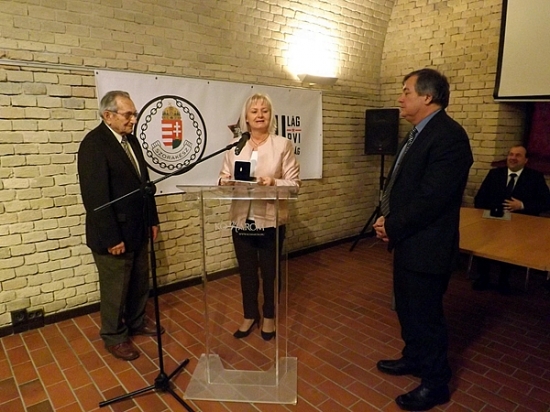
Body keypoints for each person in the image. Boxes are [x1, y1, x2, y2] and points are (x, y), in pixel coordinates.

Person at [373, 68, 473, 411]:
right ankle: (413, 357)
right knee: (407, 308)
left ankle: (435, 383)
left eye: (407, 91)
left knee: (426, 316)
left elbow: (432, 198)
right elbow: (404, 186)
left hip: (428, 245)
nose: (400, 98)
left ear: (427, 97)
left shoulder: (449, 137)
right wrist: (388, 219)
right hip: (409, 240)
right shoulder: (417, 133)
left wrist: (392, 225)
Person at [78, 90, 163, 361]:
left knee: (139, 281)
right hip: (114, 234)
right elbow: (95, 198)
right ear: (108, 115)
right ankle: (114, 336)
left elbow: (144, 184)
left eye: (134, 114)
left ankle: (136, 321)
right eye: (128, 114)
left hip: (138, 227)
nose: (133, 119)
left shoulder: (131, 140)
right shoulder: (94, 144)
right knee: (116, 288)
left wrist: (152, 219)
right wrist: (111, 238)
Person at [219, 93, 300, 341]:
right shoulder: (235, 145)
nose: (259, 115)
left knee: (270, 272)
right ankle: (249, 315)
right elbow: (223, 177)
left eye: (264, 110)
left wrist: (273, 182)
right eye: (254, 111)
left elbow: (294, 184)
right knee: (246, 272)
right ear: (246, 117)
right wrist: (225, 181)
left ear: (270, 115)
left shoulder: (282, 145)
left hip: (270, 220)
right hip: (241, 218)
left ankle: (269, 316)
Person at [472, 145, 550, 294]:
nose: (513, 158)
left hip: (521, 226)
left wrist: (522, 205)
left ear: (526, 160)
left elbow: (546, 202)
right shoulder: (494, 174)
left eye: (518, 155)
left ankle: (504, 280)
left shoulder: (535, 177)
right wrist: (491, 213)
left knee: (511, 240)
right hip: (493, 222)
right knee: (483, 238)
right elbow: (480, 199)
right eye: (511, 154)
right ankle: (483, 277)